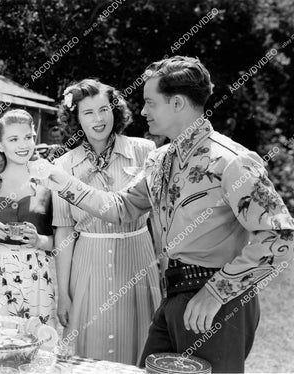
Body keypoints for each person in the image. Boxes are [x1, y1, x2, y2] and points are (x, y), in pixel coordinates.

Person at [42, 56, 294, 372]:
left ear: (176, 103)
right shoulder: (161, 159)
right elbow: (122, 208)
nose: (143, 111)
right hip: (171, 297)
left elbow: (279, 236)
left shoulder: (231, 161)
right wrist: (57, 179)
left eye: (150, 103)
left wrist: (216, 292)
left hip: (217, 303)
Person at [52, 79, 161, 365]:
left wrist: (164, 268)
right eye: (88, 112)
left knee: (140, 341)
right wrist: (63, 293)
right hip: (88, 264)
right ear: (76, 118)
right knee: (88, 347)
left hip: (138, 258)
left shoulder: (145, 150)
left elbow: (160, 216)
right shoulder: (63, 166)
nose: (98, 119)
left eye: (104, 109)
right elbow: (64, 231)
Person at [0, 109, 55, 325]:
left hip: (35, 277)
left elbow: (59, 241)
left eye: (28, 137)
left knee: (34, 341)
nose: (23, 145)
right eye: (13, 139)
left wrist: (38, 240)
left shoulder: (47, 184)